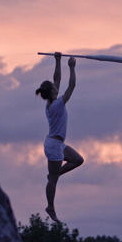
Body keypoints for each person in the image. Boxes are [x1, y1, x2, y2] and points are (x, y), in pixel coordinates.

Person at [35, 52, 84, 222]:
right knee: (53, 180)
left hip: (56, 143)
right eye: (54, 87)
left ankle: (54, 174)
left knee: (78, 160)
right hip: (54, 146)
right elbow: (71, 86)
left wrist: (57, 60)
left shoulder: (51, 102)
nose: (57, 86)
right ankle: (50, 206)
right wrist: (71, 67)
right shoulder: (57, 103)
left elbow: (56, 79)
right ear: (52, 92)